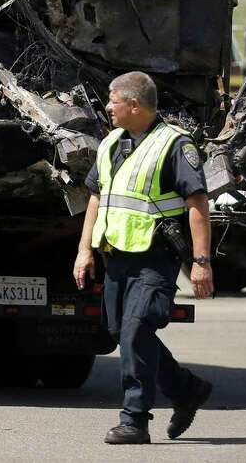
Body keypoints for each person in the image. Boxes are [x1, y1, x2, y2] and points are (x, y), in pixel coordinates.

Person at [73, 71, 215, 445]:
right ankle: (186, 389)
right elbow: (95, 196)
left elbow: (198, 203)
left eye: (112, 100)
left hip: (155, 257)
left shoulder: (174, 145)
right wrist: (84, 249)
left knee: (137, 331)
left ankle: (134, 419)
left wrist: (201, 262)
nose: (107, 106)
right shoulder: (111, 144)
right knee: (124, 334)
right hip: (116, 257)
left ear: (134, 105)